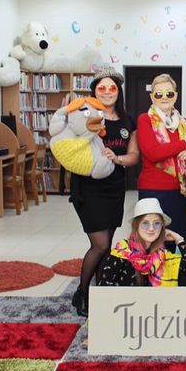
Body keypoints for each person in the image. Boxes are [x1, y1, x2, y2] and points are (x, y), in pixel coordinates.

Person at [70, 66, 139, 317]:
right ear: (94, 92)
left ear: (118, 91)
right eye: (102, 88)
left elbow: (133, 156)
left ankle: (101, 292)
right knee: (99, 245)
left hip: (114, 188)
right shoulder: (84, 114)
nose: (107, 92)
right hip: (88, 188)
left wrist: (116, 158)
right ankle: (82, 292)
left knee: (108, 244)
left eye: (112, 88)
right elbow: (68, 145)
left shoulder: (128, 121)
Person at [136, 73, 186, 250]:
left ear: (175, 96)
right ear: (152, 97)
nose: (164, 97)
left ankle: (169, 269)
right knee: (152, 242)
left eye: (169, 93)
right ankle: (152, 270)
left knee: (173, 239)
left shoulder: (184, 123)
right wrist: (184, 144)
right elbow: (153, 153)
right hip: (154, 190)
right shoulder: (145, 119)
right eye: (158, 94)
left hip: (181, 190)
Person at [101, 198, 186, 287]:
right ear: (136, 226)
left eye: (157, 223)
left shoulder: (163, 255)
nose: (151, 228)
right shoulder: (121, 253)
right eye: (145, 223)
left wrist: (179, 239)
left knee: (178, 271)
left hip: (158, 300)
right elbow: (104, 288)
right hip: (127, 300)